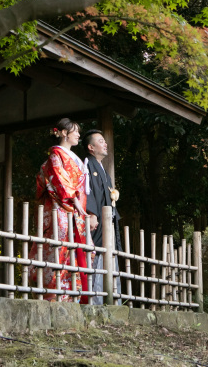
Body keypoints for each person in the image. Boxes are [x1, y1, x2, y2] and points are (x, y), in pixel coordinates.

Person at [30, 118, 90, 302]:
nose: (78, 134)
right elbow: (58, 178)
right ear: (64, 133)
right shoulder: (55, 154)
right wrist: (74, 199)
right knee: (59, 245)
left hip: (76, 209)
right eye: (75, 131)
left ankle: (71, 294)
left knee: (74, 249)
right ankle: (54, 294)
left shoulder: (74, 157)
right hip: (62, 207)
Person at [82, 129, 122, 305]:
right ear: (91, 147)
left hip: (107, 222)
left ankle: (111, 299)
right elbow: (86, 190)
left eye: (105, 141)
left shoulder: (103, 171)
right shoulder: (87, 164)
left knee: (109, 255)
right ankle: (97, 301)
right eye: (100, 141)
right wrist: (91, 213)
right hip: (97, 222)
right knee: (97, 255)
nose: (105, 144)